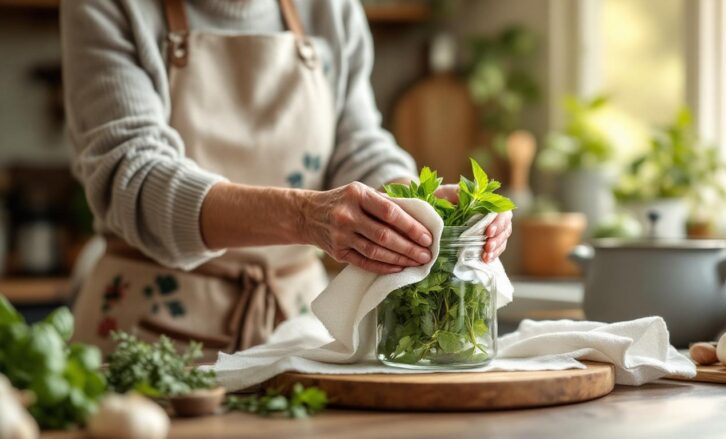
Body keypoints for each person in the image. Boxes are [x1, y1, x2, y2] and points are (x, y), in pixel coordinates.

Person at [61, 0, 512, 358]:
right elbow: (133, 175)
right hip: (145, 339)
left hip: (300, 334)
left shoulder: (330, 8)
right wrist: (301, 216)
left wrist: (419, 206)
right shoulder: (110, 6)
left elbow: (358, 144)